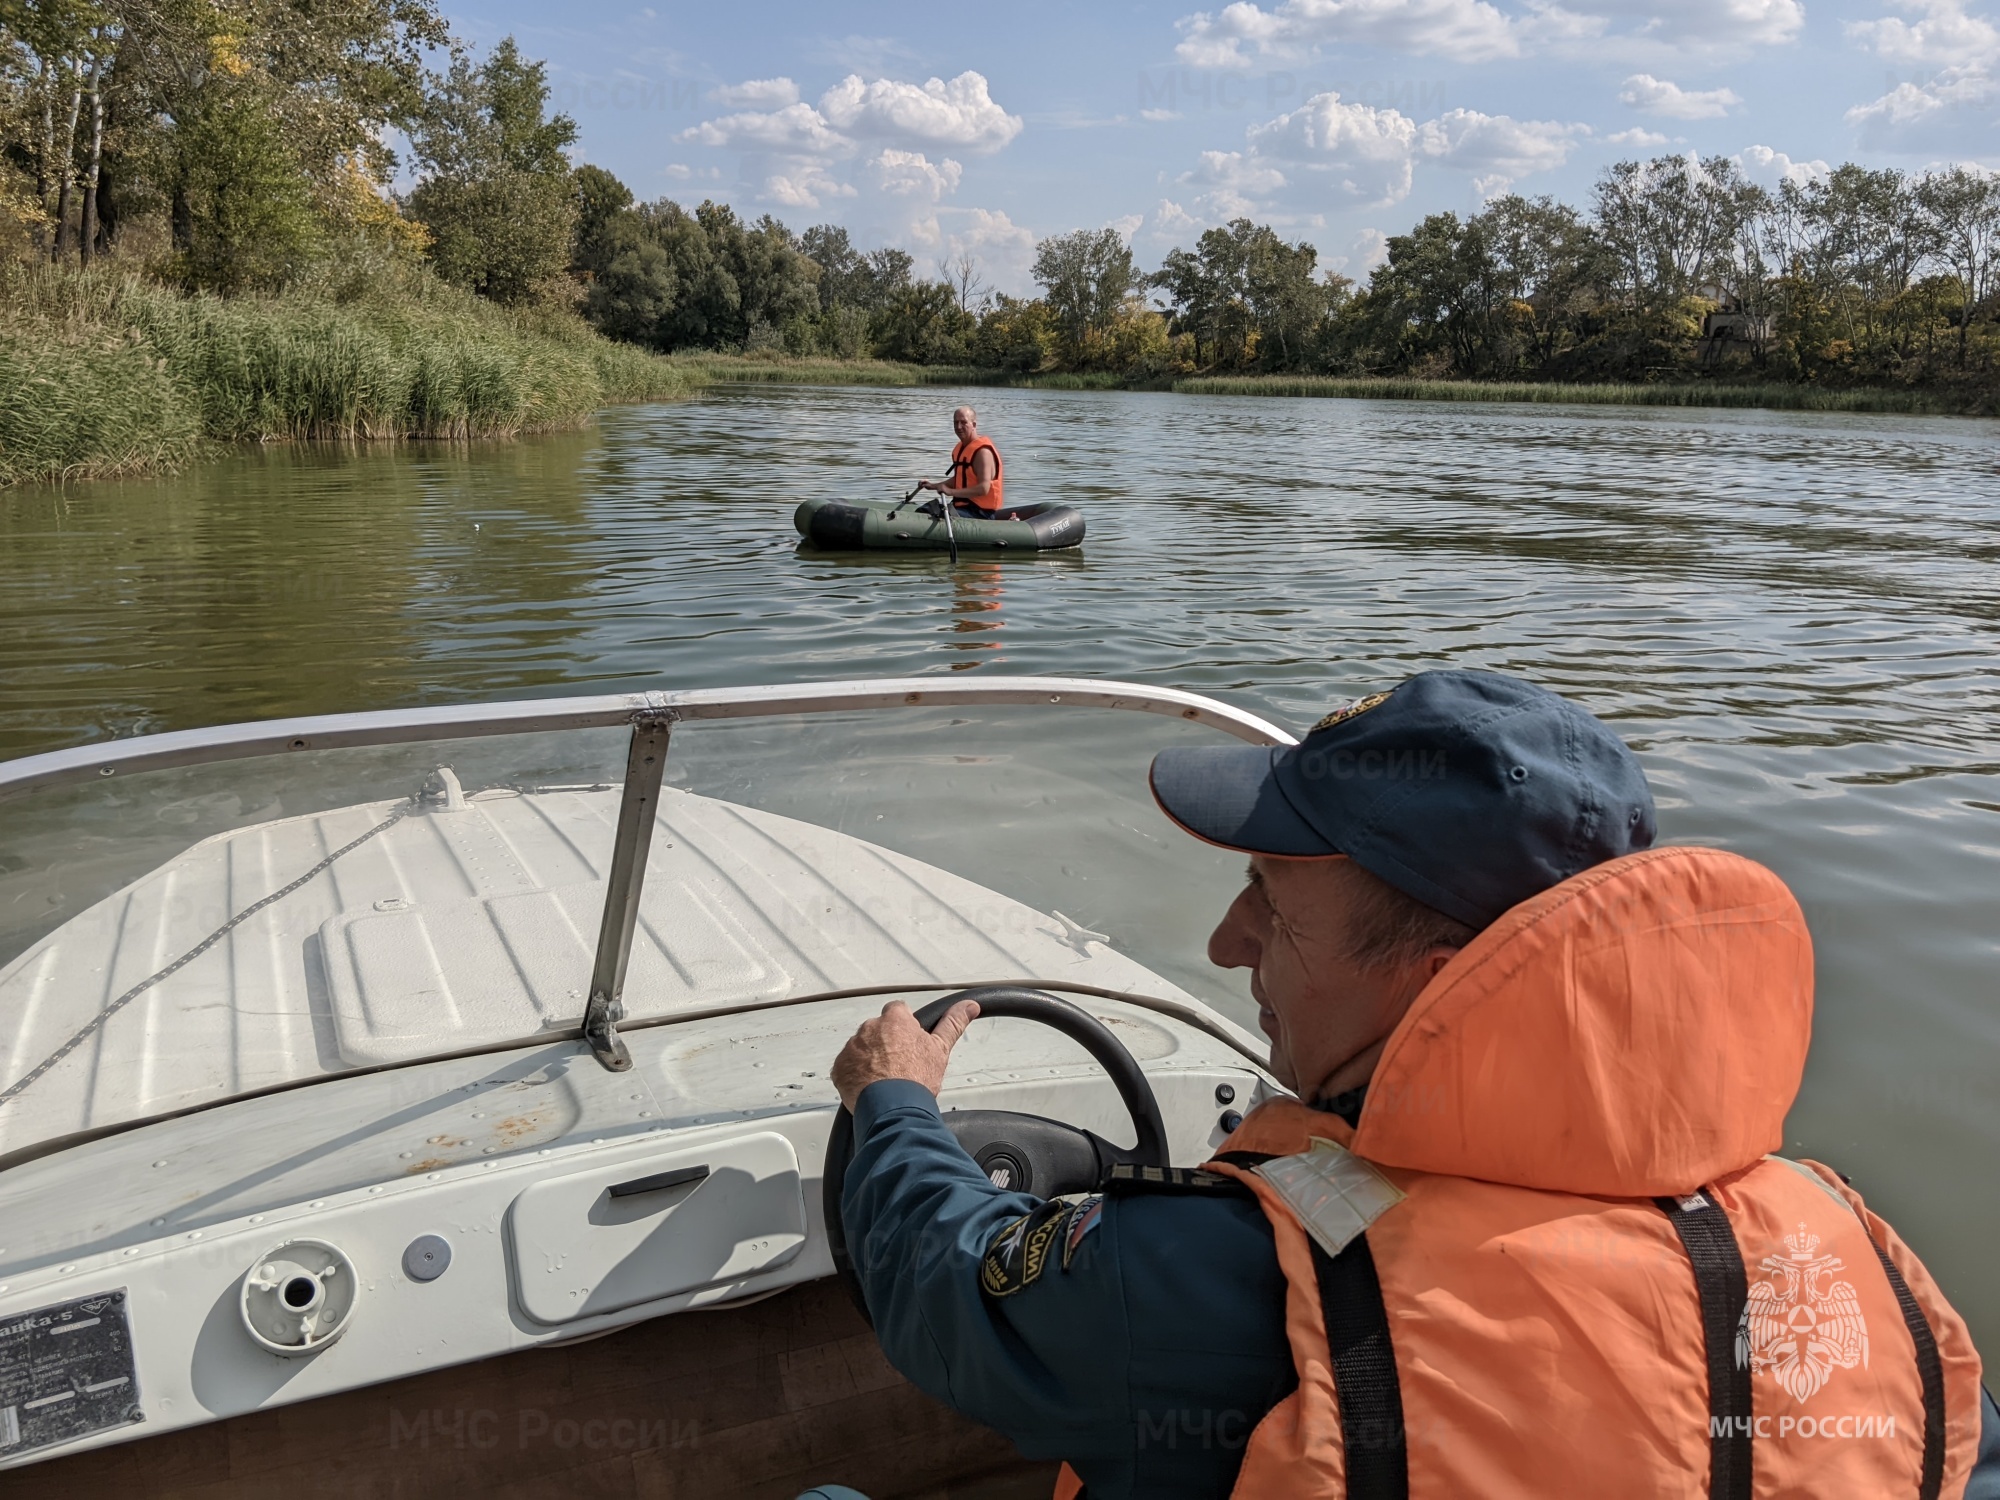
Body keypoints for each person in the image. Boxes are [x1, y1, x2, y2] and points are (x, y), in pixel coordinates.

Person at [831, 669, 2000, 1500]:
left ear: (1448, 986)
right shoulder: (1858, 1260)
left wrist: (894, 1105)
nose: (1225, 946)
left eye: (1273, 909)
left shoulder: (1234, 1286)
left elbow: (943, 1289)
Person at [917, 406, 1011, 518]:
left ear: (974, 425)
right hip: (963, 508)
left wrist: (950, 492)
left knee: (934, 516)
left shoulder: (983, 453)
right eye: (956, 422)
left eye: (963, 422)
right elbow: (961, 479)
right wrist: (933, 486)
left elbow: (983, 488)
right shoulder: (962, 448)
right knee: (924, 510)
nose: (959, 427)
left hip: (980, 513)